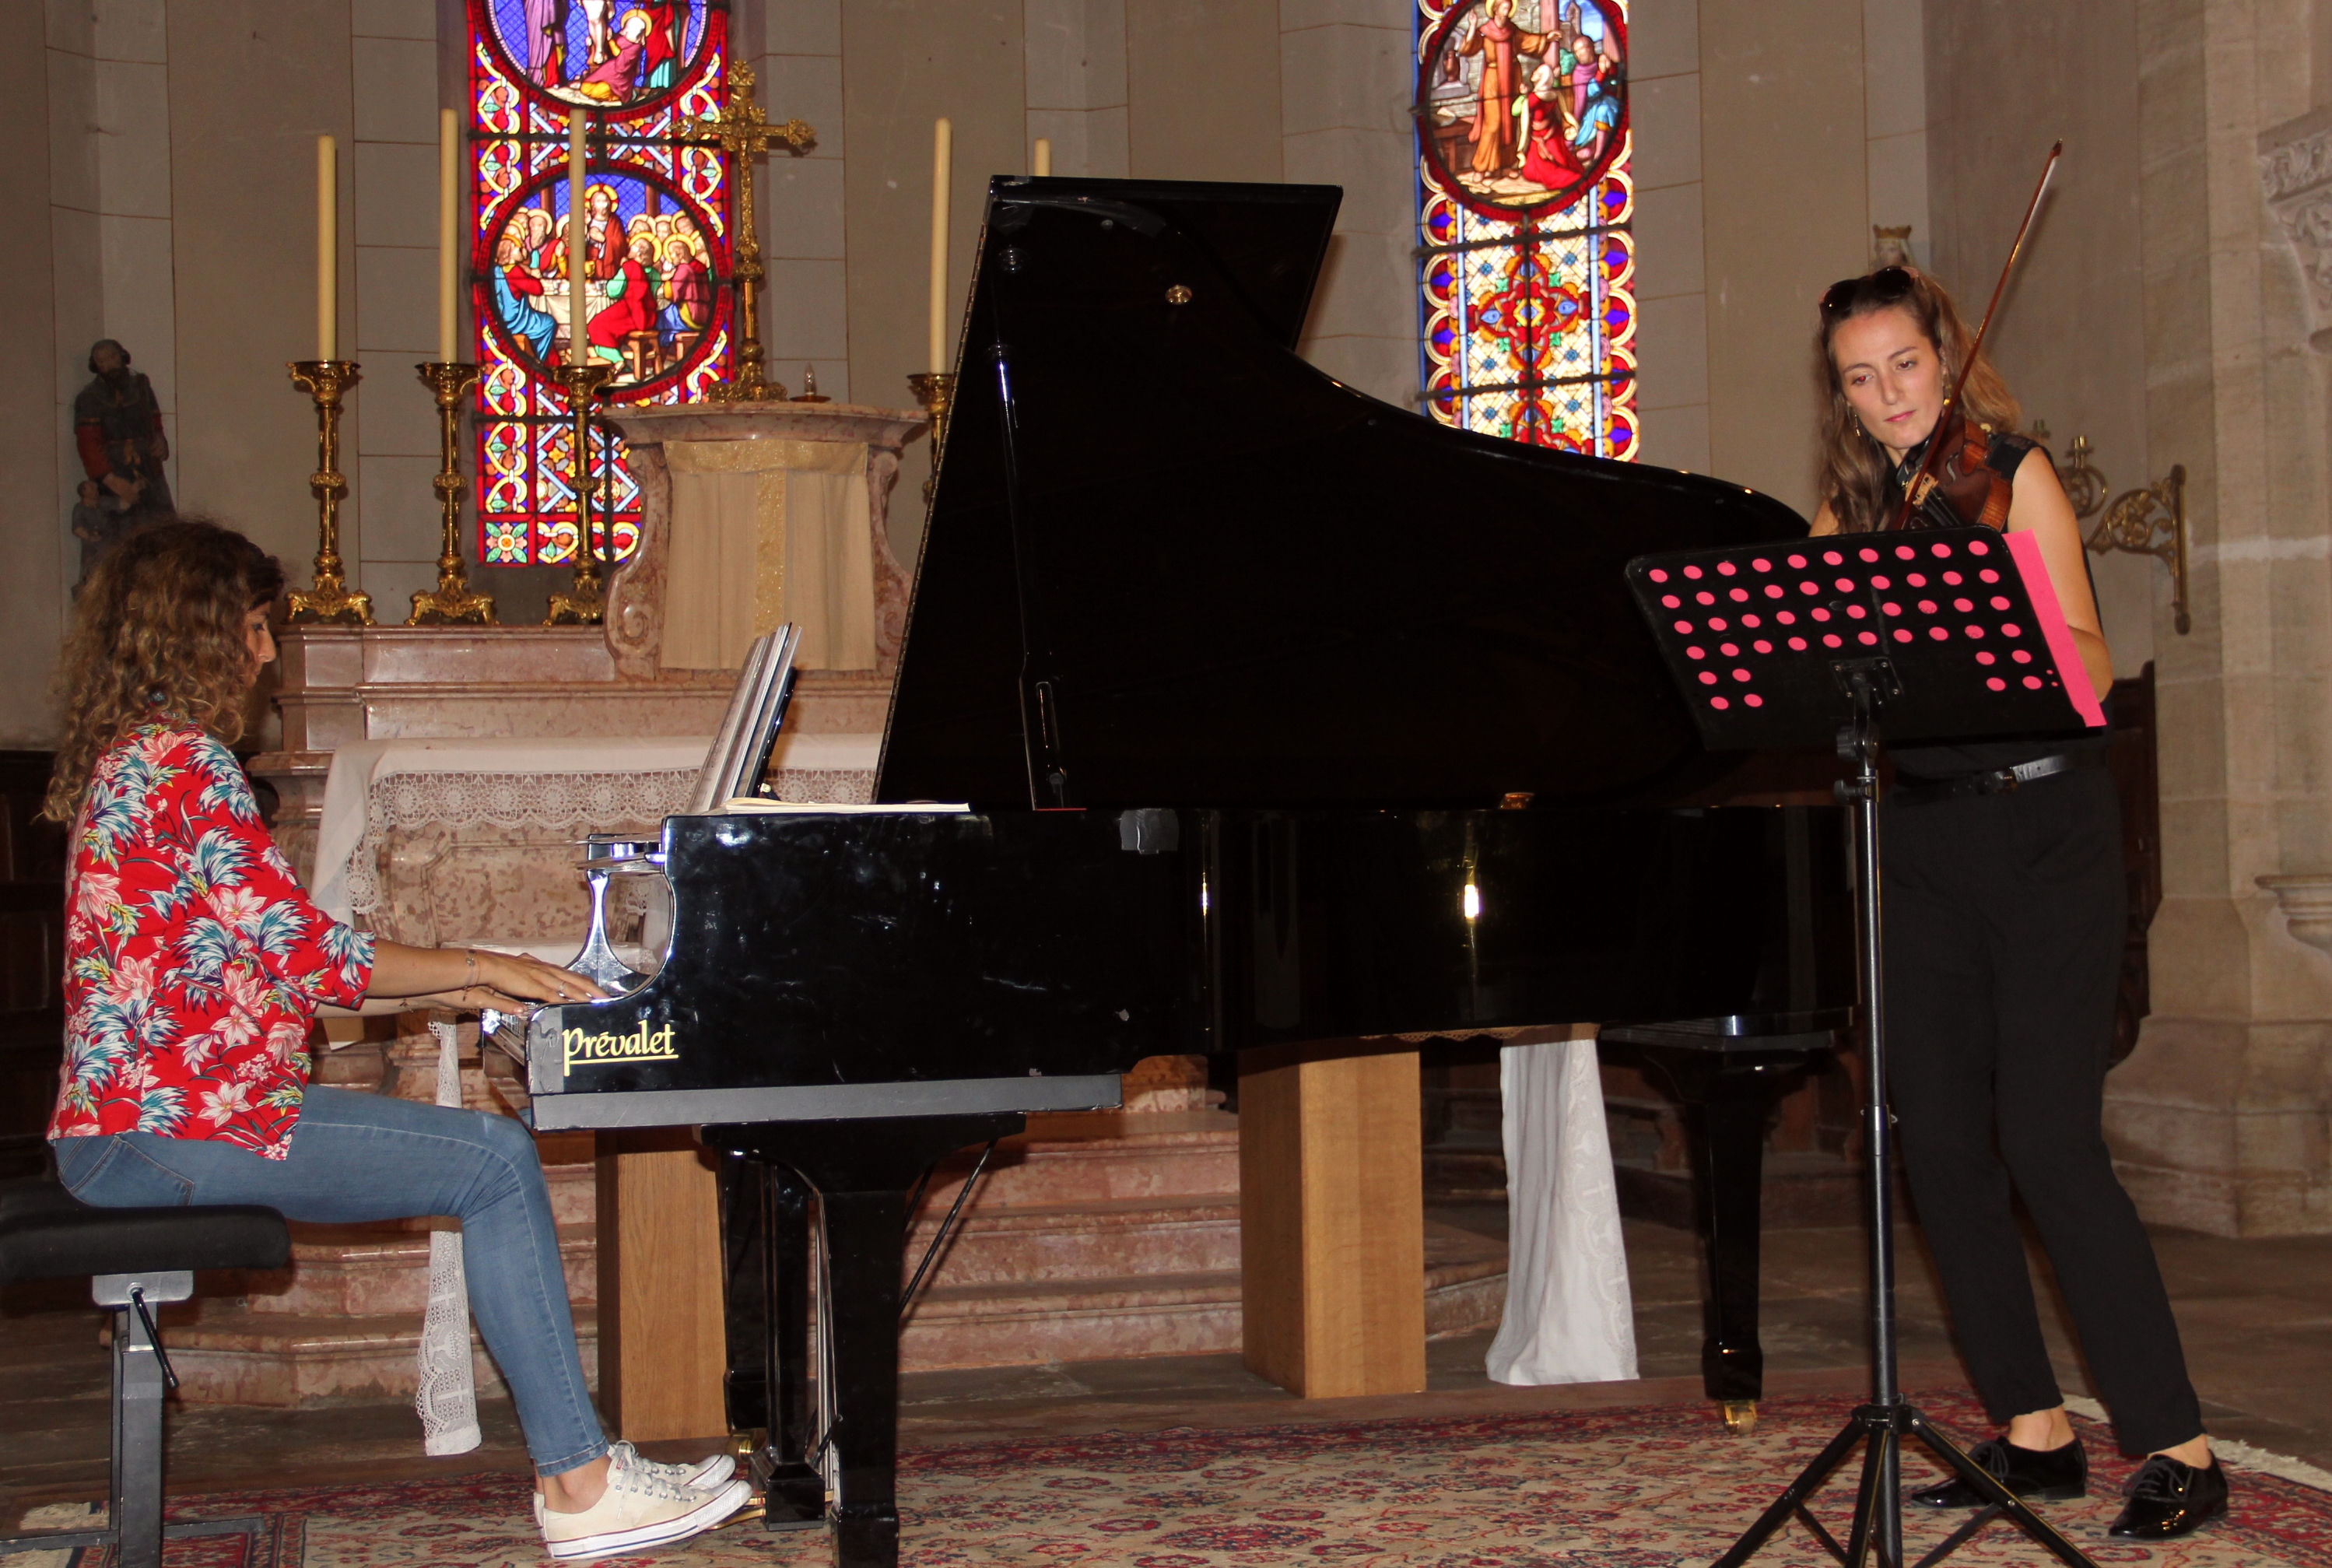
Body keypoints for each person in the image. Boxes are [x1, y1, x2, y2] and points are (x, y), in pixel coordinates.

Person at [40, 520, 753, 1562]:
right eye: (252, 629)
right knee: (496, 1162)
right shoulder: (186, 764)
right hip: (170, 1127)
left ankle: (587, 1464)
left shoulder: (135, 760)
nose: (268, 654)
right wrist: (486, 964)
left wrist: (473, 978)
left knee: (486, 1159)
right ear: (201, 635)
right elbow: (316, 961)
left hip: (151, 1118)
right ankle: (581, 1480)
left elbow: (260, 960)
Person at [1810, 265, 2227, 1542]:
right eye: (1858, 378)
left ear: (1946, 356)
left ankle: (2179, 1444)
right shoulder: (1849, 512)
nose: (1886, 397)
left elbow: (2092, 664)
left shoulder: (2010, 474)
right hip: (1923, 844)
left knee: (2046, 1140)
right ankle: (2034, 1433)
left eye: (1903, 367)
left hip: (2044, 826)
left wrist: (1990, 624)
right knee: (1933, 1141)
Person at [74, 340, 174, 531]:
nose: (109, 364)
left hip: (147, 465)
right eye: (101, 361)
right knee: (121, 530)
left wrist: (160, 440)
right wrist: (111, 480)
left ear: (121, 356)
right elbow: (88, 443)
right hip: (115, 469)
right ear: (96, 365)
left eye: (112, 357)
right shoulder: (88, 398)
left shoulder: (141, 387)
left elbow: (154, 422)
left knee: (161, 526)